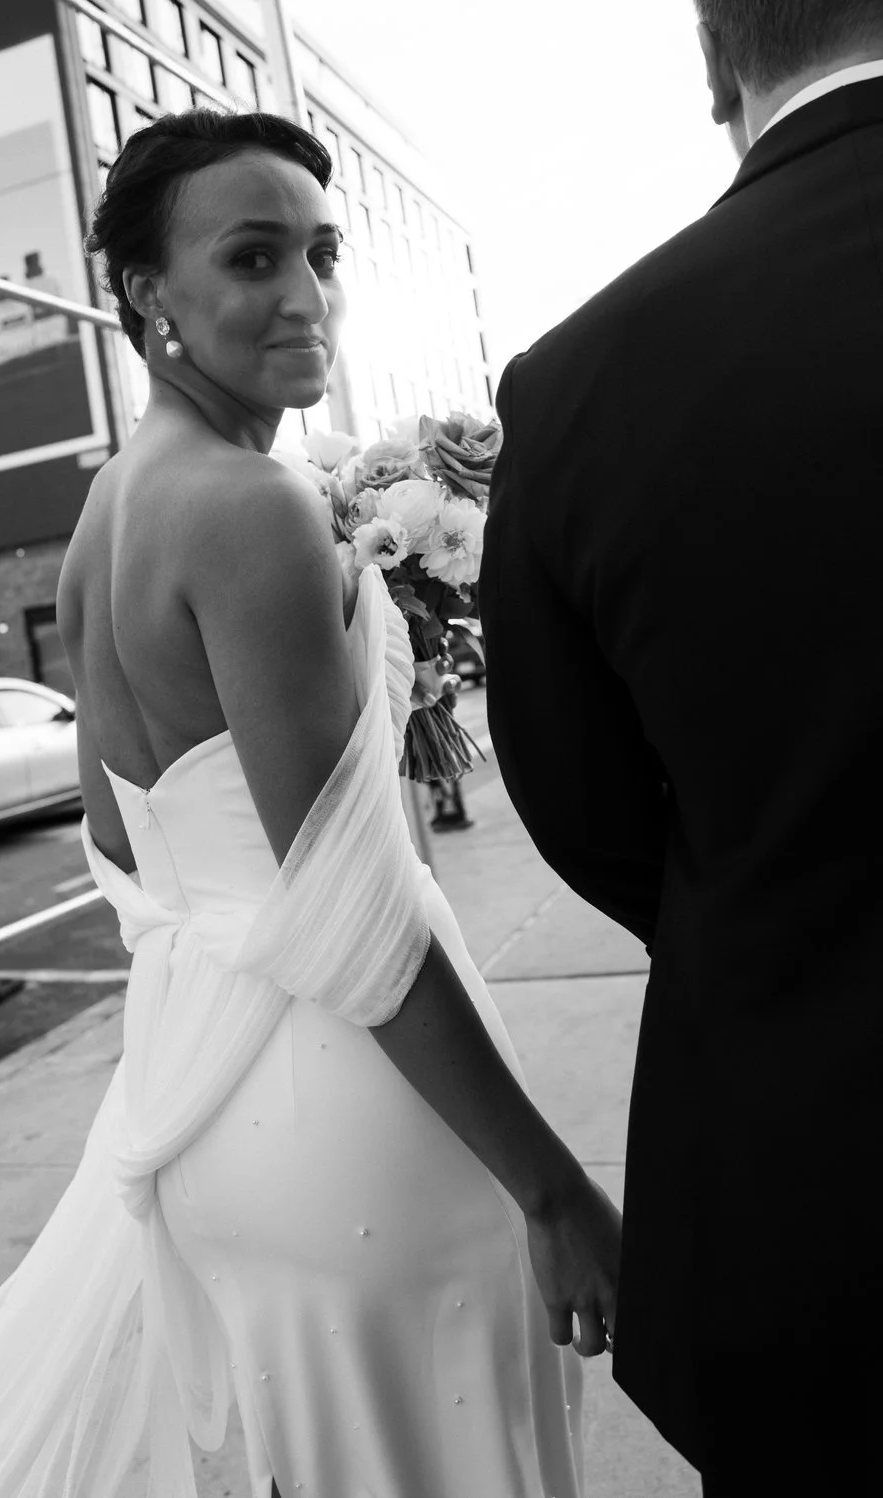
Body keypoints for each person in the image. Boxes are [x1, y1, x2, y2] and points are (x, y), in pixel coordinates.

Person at [0, 111, 619, 1498]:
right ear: (148, 297)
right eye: (252, 255)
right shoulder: (248, 506)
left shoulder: (110, 513)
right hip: (367, 1122)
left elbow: (126, 846)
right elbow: (359, 911)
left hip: (214, 1110)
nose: (304, 293)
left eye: (322, 252)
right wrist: (551, 1186)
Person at [479, 2, 883, 1492]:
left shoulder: (582, 379)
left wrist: (761, 906)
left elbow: (576, 797)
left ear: (719, 64)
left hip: (818, 1216)